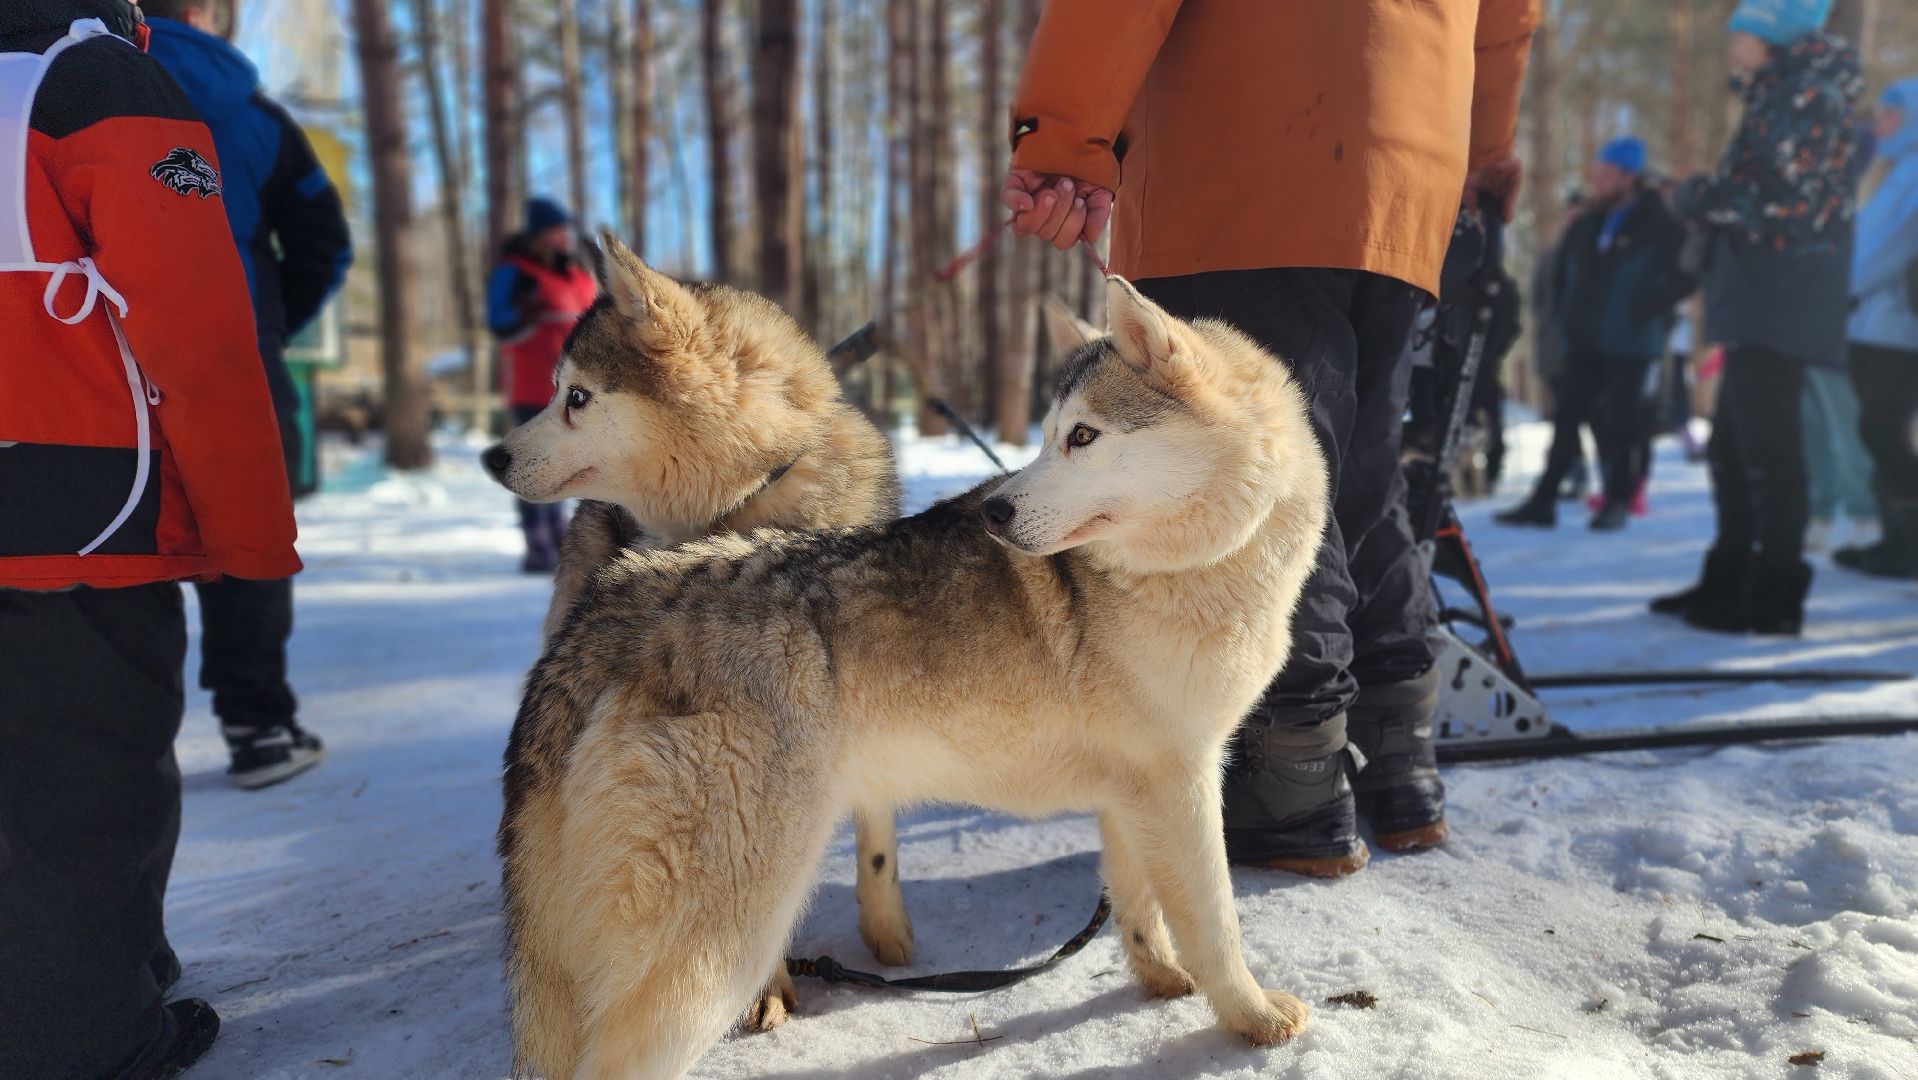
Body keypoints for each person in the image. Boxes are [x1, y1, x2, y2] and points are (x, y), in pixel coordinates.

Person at [1004, 0, 1539, 876]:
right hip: (1411, 179)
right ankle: (1397, 764)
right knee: (1359, 477)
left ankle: (1287, 778)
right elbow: (1507, 15)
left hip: (1237, 162)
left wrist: (1062, 138)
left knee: (1265, 491)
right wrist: (1478, 157)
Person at [0, 1, 301, 1075]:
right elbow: (197, 331)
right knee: (90, 772)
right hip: (70, 501)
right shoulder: (92, 83)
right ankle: (85, 1035)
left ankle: (103, 971)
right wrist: (253, 538)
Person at [145, 0, 351, 789]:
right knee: (244, 528)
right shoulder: (258, 120)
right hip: (231, 353)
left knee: (111, 526)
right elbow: (321, 242)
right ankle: (257, 724)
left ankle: (110, 748)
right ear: (205, 12)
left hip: (98, 348)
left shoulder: (50, 93)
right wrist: (268, 326)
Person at [1653, 0, 1861, 635]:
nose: (1730, 42)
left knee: (1767, 451)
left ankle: (1773, 596)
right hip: (1758, 293)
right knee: (1733, 449)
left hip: (1783, 296)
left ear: (1772, 36)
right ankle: (1730, 580)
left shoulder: (1808, 97)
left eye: (1740, 32)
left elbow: (1790, 201)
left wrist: (1699, 196)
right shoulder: (1779, 92)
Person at [1497, 137, 1690, 532]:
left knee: (1622, 422)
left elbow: (1686, 274)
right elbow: (1563, 277)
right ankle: (1543, 500)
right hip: (1584, 340)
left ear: (1628, 176)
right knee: (1566, 419)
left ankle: (1617, 500)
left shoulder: (1659, 222)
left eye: (1605, 174)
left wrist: (1646, 309)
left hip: (1632, 342)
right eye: (1595, 173)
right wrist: (1567, 320)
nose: (1596, 181)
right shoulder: (1587, 222)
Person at [1834, 77, 1918, 578]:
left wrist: (1839, 288)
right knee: (1875, 429)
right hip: (1870, 320)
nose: (1878, 123)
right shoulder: (1895, 171)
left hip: (1900, 326)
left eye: (1890, 113)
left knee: (1883, 429)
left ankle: (1909, 544)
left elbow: (1891, 249)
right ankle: (1895, 538)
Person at [487, 196, 597, 573]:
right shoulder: (516, 272)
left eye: (564, 230)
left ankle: (566, 544)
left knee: (575, 468)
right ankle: (539, 546)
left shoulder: (580, 277)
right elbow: (499, 321)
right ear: (537, 236)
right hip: (534, 389)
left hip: (580, 393)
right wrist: (526, 311)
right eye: (554, 231)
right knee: (533, 465)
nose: (562, 238)